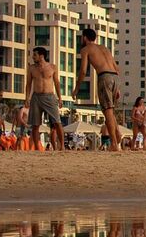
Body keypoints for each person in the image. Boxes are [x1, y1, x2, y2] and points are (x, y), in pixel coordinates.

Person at [76, 24, 123, 152]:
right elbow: (116, 68)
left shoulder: (86, 49)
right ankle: (117, 135)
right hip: (115, 77)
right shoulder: (105, 48)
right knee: (110, 110)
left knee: (107, 110)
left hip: (104, 77)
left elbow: (83, 71)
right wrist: (118, 88)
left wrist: (77, 88)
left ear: (85, 38)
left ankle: (114, 143)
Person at [27, 46, 65, 151]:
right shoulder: (32, 68)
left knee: (57, 122)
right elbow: (28, 84)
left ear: (41, 55)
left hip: (49, 96)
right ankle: (37, 147)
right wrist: (27, 98)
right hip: (36, 97)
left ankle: (61, 146)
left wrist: (60, 98)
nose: (33, 57)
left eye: (35, 55)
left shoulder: (52, 67)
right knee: (35, 124)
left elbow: (57, 83)